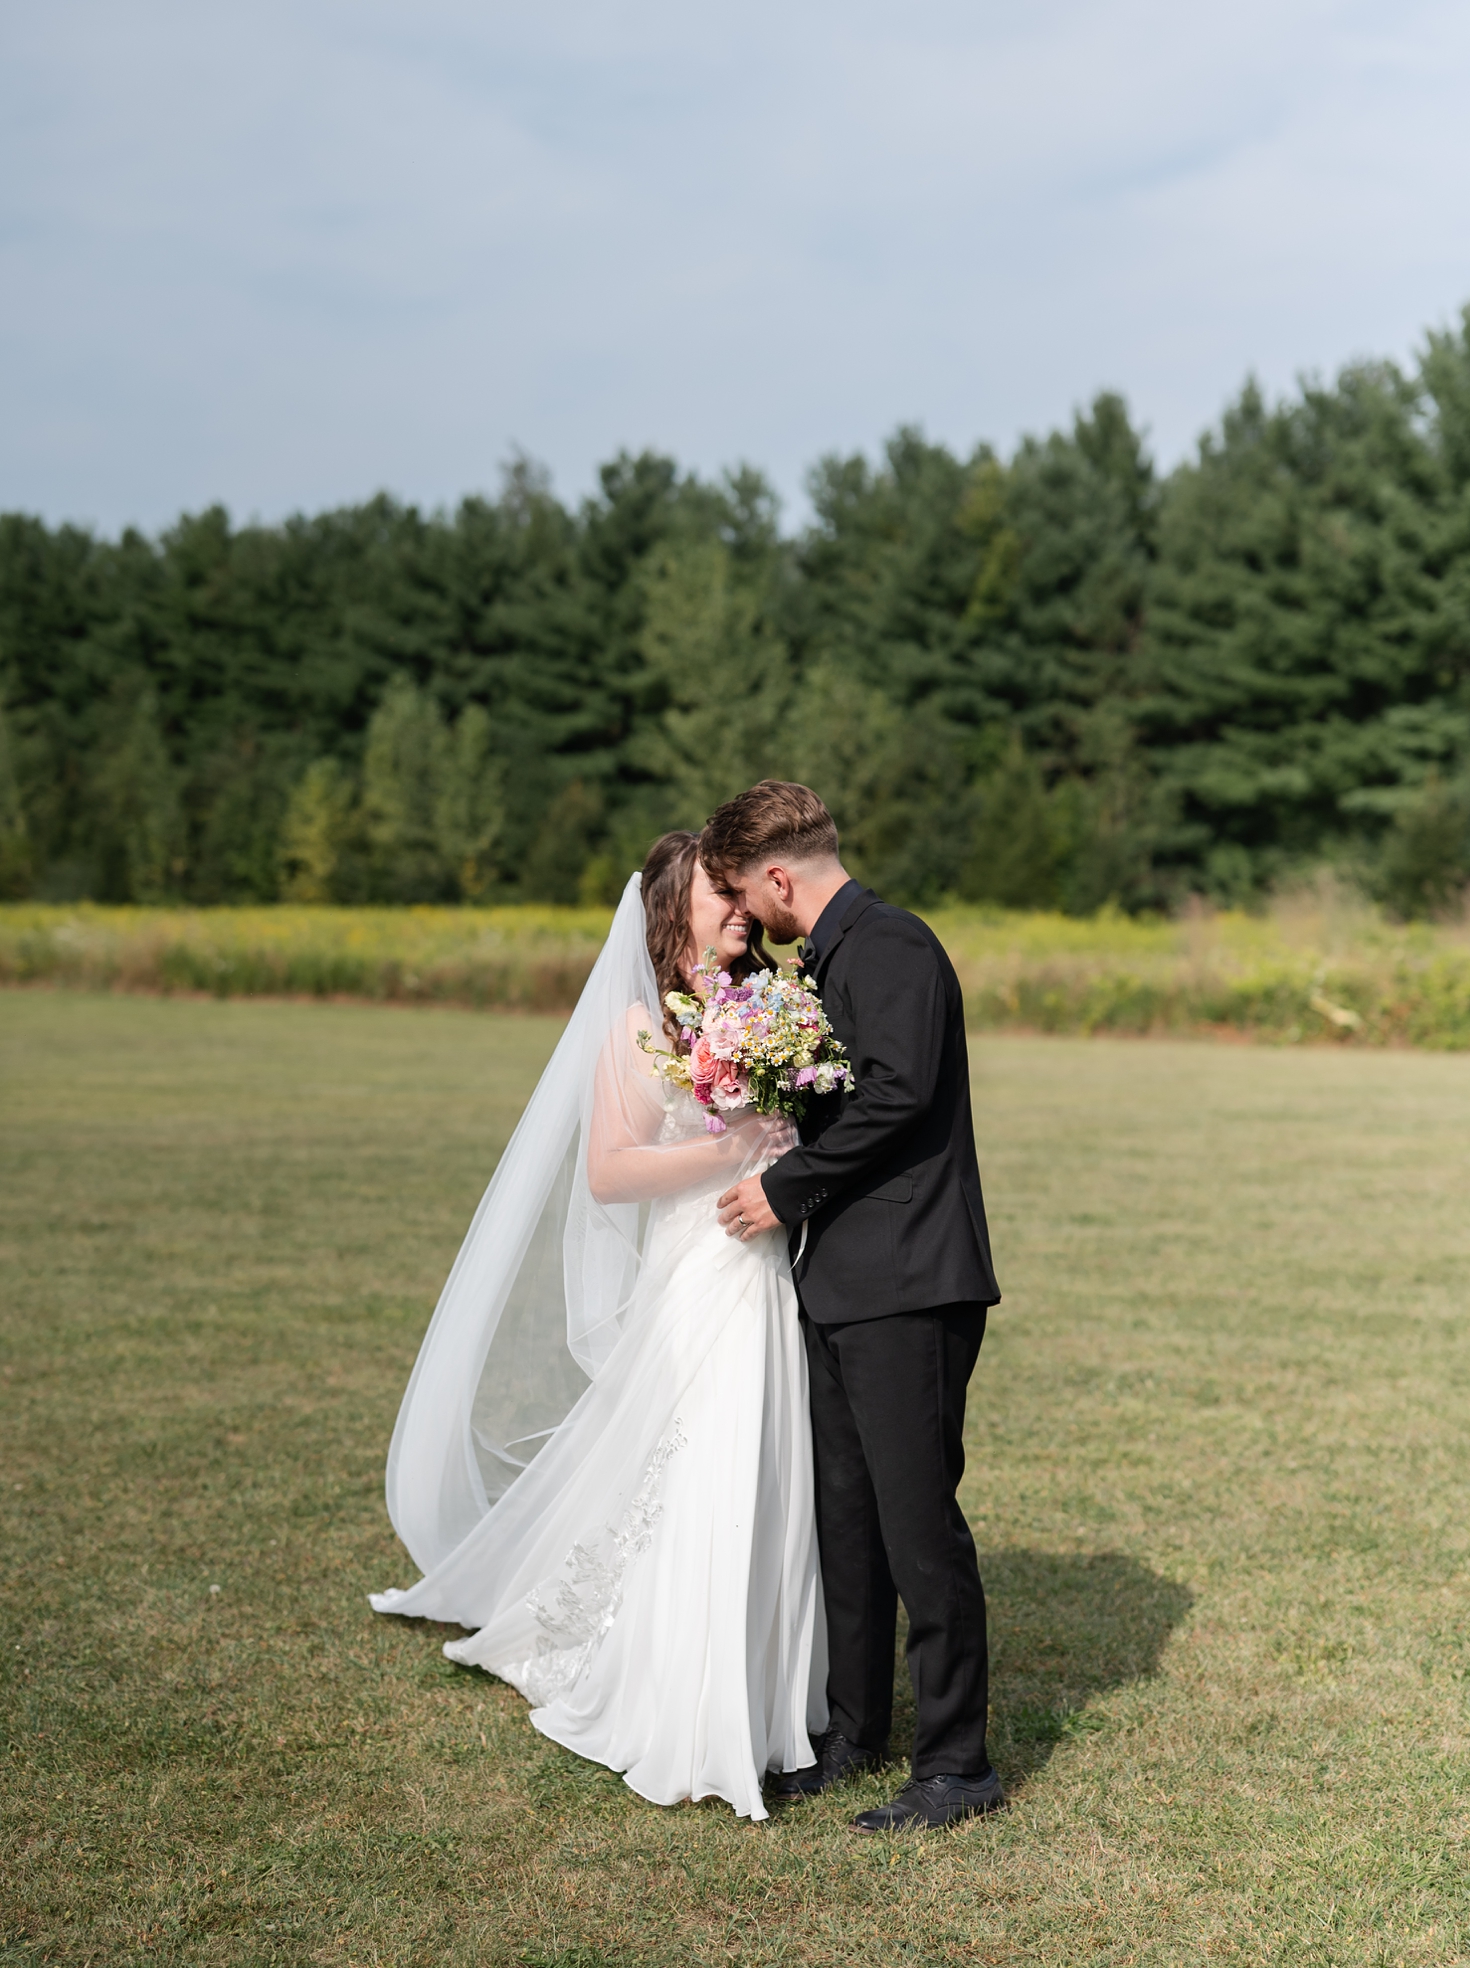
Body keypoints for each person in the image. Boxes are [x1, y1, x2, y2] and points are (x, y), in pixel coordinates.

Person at [369, 832, 825, 1822]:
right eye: (720, 889)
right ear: (675, 901)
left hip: (763, 1267)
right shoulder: (637, 1023)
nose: (740, 905)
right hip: (696, 1265)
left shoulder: (758, 1007)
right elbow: (612, 1170)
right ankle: (685, 1702)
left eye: (745, 891)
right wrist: (734, 1151)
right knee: (698, 1465)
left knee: (766, 1463)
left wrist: (783, 1139)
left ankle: (766, 1694)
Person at [702, 781, 1003, 1833]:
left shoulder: (892, 946)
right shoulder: (820, 962)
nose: (751, 910)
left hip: (913, 1279)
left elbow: (901, 1090)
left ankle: (957, 1763)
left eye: (747, 891)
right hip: (842, 1278)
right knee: (850, 1524)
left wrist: (783, 1188)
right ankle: (853, 1735)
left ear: (779, 875)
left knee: (920, 1526)